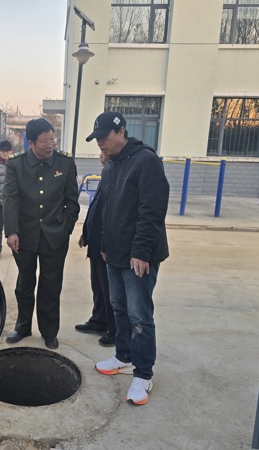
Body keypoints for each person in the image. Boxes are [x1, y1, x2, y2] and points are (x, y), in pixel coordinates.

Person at [86, 111, 169, 406]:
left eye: (104, 137)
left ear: (121, 132)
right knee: (118, 307)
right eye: (97, 139)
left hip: (138, 257)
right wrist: (104, 244)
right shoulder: (111, 165)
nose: (100, 144)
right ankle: (123, 357)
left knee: (139, 315)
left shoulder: (146, 161)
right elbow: (106, 209)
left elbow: (152, 210)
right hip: (115, 253)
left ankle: (144, 374)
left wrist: (141, 251)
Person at [3, 118, 80, 350]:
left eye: (52, 139)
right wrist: (11, 231)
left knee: (51, 285)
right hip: (24, 236)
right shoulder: (16, 164)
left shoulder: (65, 162)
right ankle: (23, 326)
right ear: (31, 143)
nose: (50, 145)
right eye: (45, 141)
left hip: (55, 235)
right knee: (24, 283)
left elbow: (72, 201)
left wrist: (66, 228)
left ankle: (49, 331)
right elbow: (11, 199)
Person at [75, 151, 116, 347]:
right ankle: (98, 320)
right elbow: (95, 209)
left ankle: (113, 329)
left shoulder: (115, 175)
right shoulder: (106, 173)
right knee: (98, 286)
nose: (100, 156)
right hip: (96, 242)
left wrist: (103, 243)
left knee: (109, 290)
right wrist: (86, 233)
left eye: (104, 152)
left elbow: (110, 214)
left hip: (105, 245)